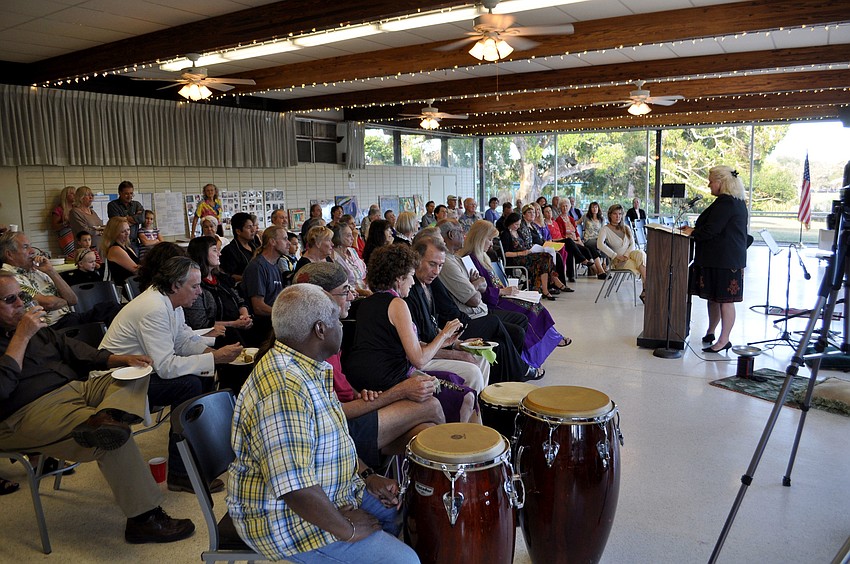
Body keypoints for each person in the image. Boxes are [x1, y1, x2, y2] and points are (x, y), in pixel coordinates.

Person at [227, 284, 419, 564]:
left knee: (403, 511)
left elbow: (334, 439)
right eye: (338, 322)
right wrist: (347, 529)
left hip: (331, 490)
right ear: (320, 329)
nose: (343, 328)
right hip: (286, 522)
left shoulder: (308, 365)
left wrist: (367, 477)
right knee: (406, 561)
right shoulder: (284, 390)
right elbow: (294, 487)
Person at [0, 272, 195, 544]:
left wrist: (120, 358)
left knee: (136, 374)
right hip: (26, 411)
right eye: (10, 299)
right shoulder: (23, 331)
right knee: (115, 438)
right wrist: (21, 337)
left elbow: (73, 349)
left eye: (22, 296)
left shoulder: (31, 327)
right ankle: (144, 519)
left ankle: (107, 415)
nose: (21, 303)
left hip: (73, 389)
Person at [101, 256, 243, 493]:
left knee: (204, 372)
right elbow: (166, 367)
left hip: (140, 370)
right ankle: (180, 472)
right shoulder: (154, 308)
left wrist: (215, 354)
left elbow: (184, 340)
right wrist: (214, 358)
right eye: (195, 286)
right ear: (176, 285)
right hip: (118, 380)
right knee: (189, 385)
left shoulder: (169, 302)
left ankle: (199, 453)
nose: (199, 292)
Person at [295, 262, 443, 468]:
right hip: (338, 429)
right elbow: (332, 412)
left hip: (351, 413)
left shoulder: (327, 333)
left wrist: (360, 394)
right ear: (322, 297)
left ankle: (425, 490)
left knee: (423, 431)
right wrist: (399, 392)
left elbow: (340, 384)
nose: (352, 296)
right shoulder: (314, 345)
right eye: (345, 291)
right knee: (431, 405)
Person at [342, 244, 477, 421]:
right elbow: (419, 360)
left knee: (456, 382)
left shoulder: (368, 302)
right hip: (390, 380)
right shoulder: (397, 304)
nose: (413, 282)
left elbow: (389, 344)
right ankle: (461, 443)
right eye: (411, 276)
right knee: (467, 397)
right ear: (399, 278)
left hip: (367, 376)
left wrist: (443, 342)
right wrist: (443, 334)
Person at [421, 227, 544, 381]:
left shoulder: (455, 260)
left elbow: (481, 289)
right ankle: (519, 370)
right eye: (433, 264)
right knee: (498, 323)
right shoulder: (447, 265)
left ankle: (512, 377)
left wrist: (477, 285)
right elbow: (473, 299)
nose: (436, 270)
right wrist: (477, 285)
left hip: (472, 313)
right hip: (464, 319)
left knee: (517, 330)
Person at [461, 220, 571, 367]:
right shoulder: (471, 260)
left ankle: (549, 341)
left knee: (535, 305)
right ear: (480, 239)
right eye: (489, 239)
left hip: (499, 296)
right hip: (492, 301)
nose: (491, 243)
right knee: (530, 310)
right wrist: (502, 291)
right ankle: (535, 352)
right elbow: (480, 291)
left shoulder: (483, 256)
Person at [680, 166, 749, 353]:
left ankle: (724, 339)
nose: (709, 184)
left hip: (725, 260)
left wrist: (693, 231)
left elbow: (712, 230)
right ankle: (711, 331)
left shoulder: (727, 202)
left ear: (721, 182)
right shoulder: (732, 201)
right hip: (719, 259)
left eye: (711, 181)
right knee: (714, 298)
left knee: (725, 300)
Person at [184, 236, 253, 343]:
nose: (219, 254)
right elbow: (200, 324)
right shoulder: (196, 286)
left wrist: (244, 316)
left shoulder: (222, 278)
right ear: (202, 253)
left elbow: (240, 300)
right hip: (215, 337)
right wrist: (234, 324)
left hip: (238, 328)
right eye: (215, 250)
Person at [501, 211, 567, 300]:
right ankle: (552, 283)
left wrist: (529, 250)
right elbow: (505, 253)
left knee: (547, 256)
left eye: (519, 224)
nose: (518, 226)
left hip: (525, 255)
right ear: (510, 223)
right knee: (544, 259)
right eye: (516, 224)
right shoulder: (505, 234)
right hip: (515, 258)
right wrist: (520, 253)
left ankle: (546, 289)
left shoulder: (518, 232)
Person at [242, 226, 290, 338]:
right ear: (272, 242)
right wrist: (285, 314)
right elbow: (258, 307)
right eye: (284, 239)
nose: (288, 243)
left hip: (275, 322)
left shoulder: (275, 265)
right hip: (264, 327)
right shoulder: (257, 267)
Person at [597, 203, 648, 303]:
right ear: (610, 215)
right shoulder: (605, 229)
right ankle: (646, 290)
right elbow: (600, 245)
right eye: (615, 214)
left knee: (641, 254)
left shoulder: (626, 228)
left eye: (620, 214)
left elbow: (632, 244)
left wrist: (626, 255)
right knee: (641, 265)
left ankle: (646, 289)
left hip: (629, 255)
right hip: (617, 261)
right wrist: (615, 255)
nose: (618, 216)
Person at [549, 202, 607, 280]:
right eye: (563, 206)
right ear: (560, 208)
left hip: (578, 241)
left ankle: (600, 270)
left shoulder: (571, 218)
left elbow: (576, 232)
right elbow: (562, 235)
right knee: (582, 248)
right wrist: (576, 241)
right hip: (570, 241)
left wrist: (579, 240)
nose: (565, 208)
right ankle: (596, 269)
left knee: (589, 249)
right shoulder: (559, 220)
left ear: (569, 207)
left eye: (566, 206)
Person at [332, 225, 370, 298]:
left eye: (352, 235)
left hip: (366, 289)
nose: (353, 238)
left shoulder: (352, 251)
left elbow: (364, 271)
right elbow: (343, 286)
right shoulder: (334, 257)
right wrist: (365, 292)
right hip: (352, 296)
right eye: (349, 236)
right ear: (338, 238)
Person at [107, 181, 145, 253]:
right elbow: (117, 223)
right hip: (119, 243)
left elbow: (142, 219)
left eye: (131, 193)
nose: (129, 196)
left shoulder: (136, 204)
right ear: (120, 193)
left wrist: (125, 218)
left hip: (134, 243)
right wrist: (134, 218)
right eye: (126, 194)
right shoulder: (112, 205)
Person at [101, 216, 140, 286]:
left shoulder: (127, 248)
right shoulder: (115, 249)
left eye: (128, 229)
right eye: (123, 231)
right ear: (114, 233)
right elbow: (136, 270)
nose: (127, 233)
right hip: (124, 289)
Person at [220, 212, 257, 282]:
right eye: (249, 227)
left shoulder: (255, 246)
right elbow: (229, 275)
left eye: (253, 226)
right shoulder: (229, 251)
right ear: (238, 231)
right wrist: (250, 279)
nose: (253, 230)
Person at [69, 185, 104, 250]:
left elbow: (99, 225)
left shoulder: (92, 211)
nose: (91, 197)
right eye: (88, 195)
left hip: (99, 245)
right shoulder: (75, 212)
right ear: (81, 197)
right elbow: (82, 229)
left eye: (92, 195)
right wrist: (98, 232)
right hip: (86, 249)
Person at [51, 185, 76, 259]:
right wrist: (66, 223)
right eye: (72, 193)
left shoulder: (76, 208)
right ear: (65, 196)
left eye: (75, 193)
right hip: (66, 236)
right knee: (71, 257)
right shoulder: (59, 209)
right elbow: (54, 227)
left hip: (77, 235)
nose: (74, 195)